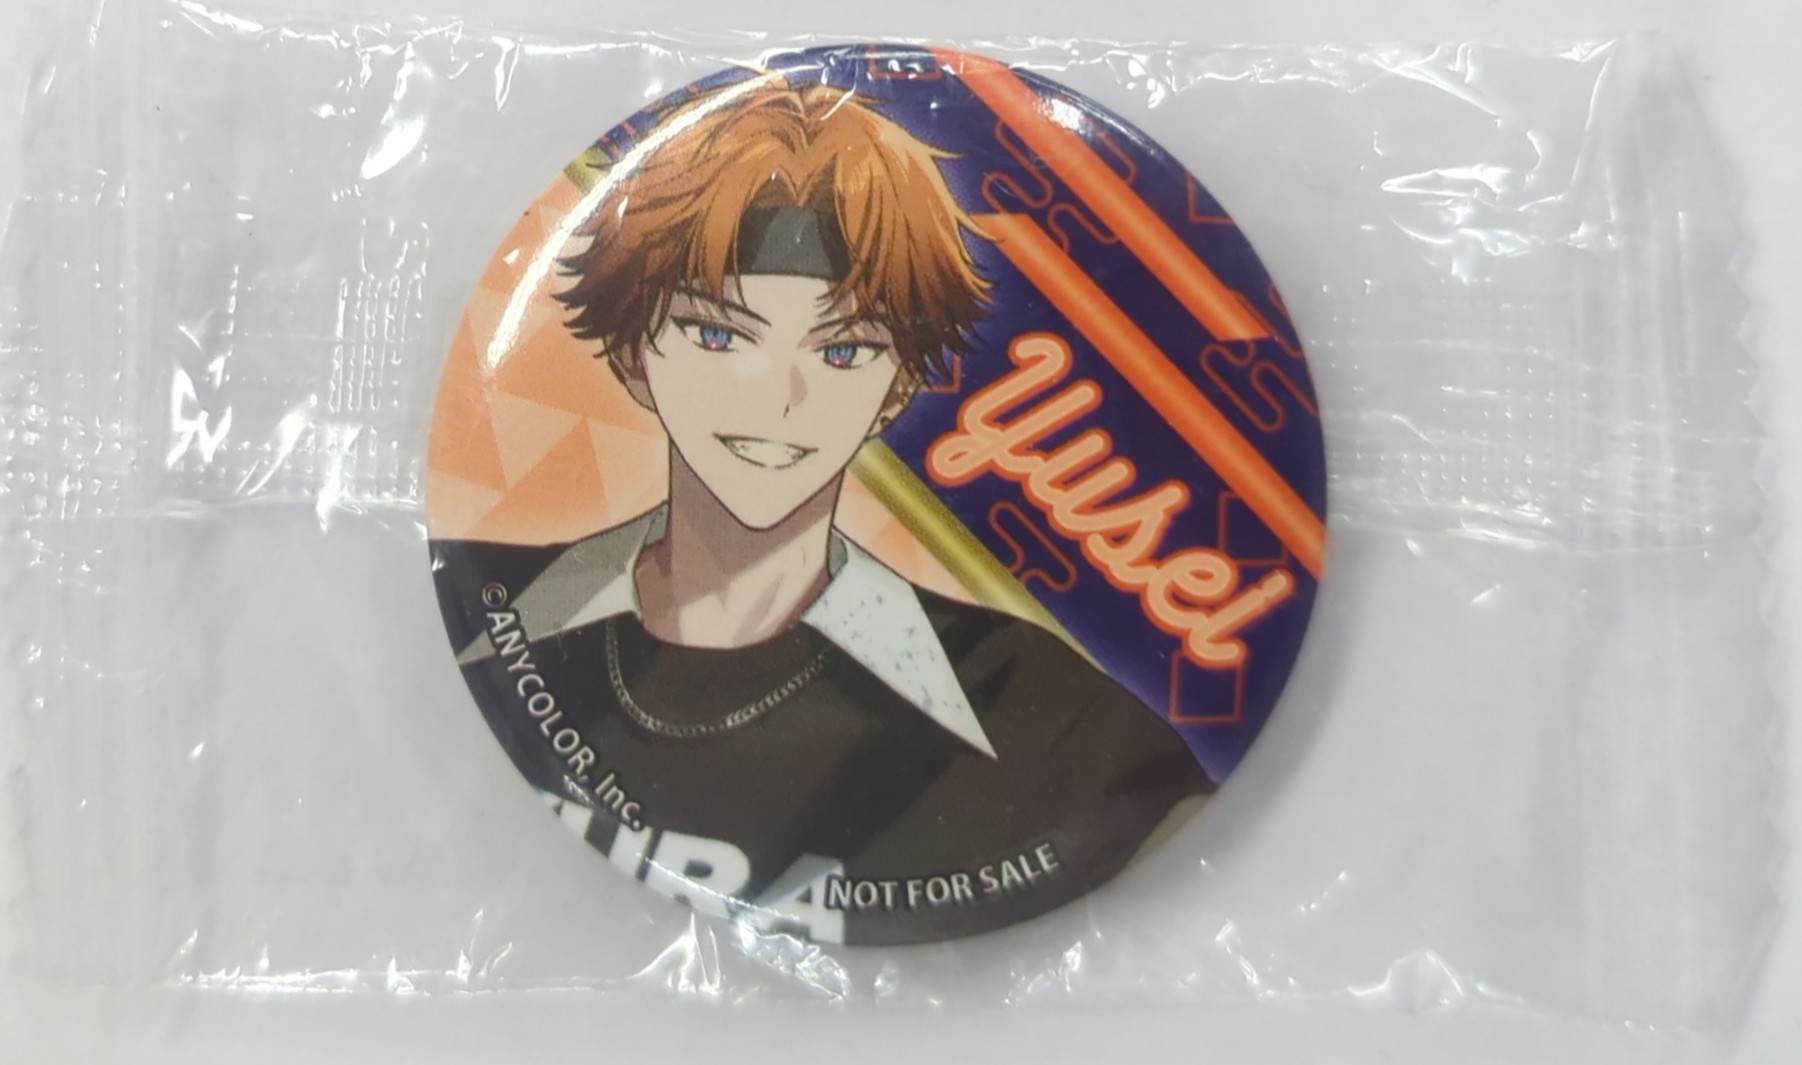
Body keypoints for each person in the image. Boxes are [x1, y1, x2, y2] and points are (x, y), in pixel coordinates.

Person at [432, 74, 1213, 945]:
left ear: (898, 387)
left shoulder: (1058, 719)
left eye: (843, 350)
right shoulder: (491, 613)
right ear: (632, 354)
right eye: (719, 335)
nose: (781, 399)